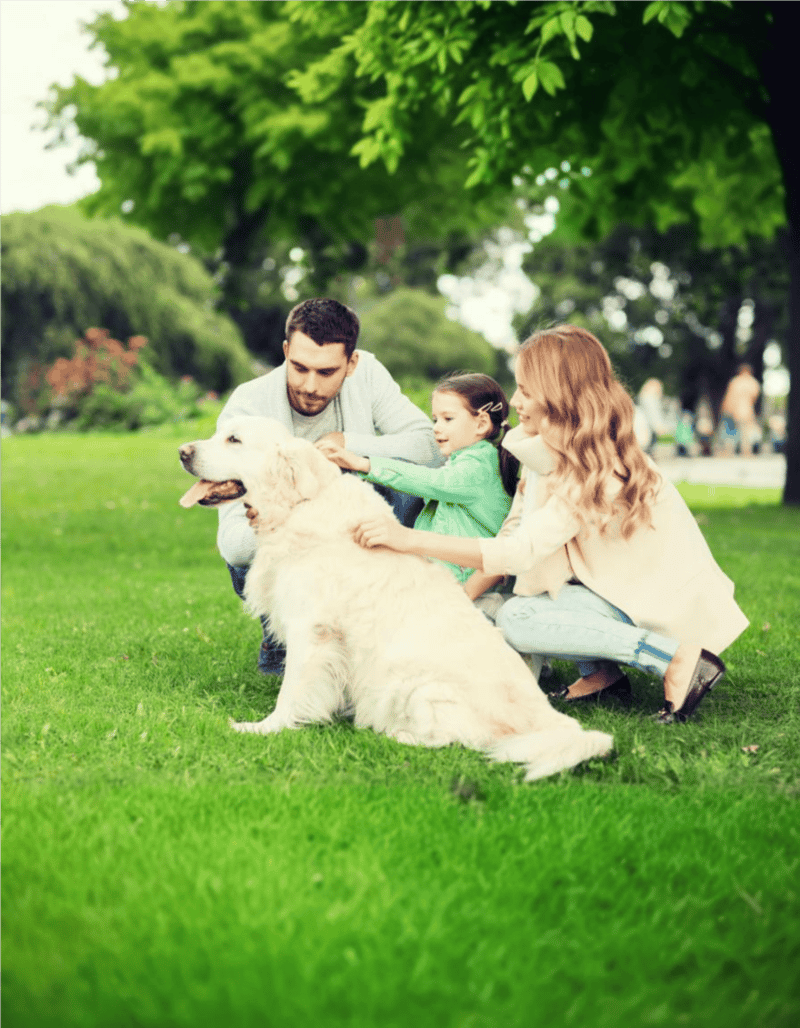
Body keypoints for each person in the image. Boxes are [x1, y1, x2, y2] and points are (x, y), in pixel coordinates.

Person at [352, 325, 749, 724]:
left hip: (654, 600)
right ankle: (601, 676)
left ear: (558, 395)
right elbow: (513, 530)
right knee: (512, 609)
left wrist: (409, 539)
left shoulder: (596, 463)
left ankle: (676, 659)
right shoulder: (544, 446)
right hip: (607, 590)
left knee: (519, 618)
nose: (516, 400)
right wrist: (461, 593)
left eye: (526, 389)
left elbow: (521, 552)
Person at [216, 297, 443, 673]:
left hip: (356, 528)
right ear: (286, 350)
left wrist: (351, 445)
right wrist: (287, 512)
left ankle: (378, 631)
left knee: (400, 482)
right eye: (299, 367)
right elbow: (234, 546)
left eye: (326, 372)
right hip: (291, 541)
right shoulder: (248, 407)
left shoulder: (367, 373)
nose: (309, 385)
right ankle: (282, 640)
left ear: (351, 364)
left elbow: (431, 448)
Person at [323, 373, 519, 590]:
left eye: (448, 419)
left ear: (481, 424)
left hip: (466, 584)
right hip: (441, 575)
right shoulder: (465, 460)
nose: (436, 427)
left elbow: (435, 481)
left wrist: (365, 464)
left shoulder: (480, 464)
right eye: (435, 419)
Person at [719, 363, 761, 456]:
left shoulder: (735, 382)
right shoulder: (753, 382)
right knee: (745, 431)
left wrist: (725, 408)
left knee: (730, 430)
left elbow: (729, 397)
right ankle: (746, 450)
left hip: (734, 409)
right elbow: (755, 397)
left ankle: (729, 450)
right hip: (747, 409)